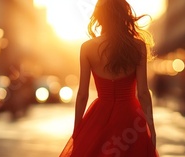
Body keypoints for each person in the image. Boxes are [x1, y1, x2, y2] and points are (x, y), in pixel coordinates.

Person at [60, 0, 158, 156]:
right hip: (130, 118)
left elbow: (82, 95)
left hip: (99, 117)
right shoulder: (137, 46)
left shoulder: (87, 47)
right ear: (124, 15)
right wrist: (151, 128)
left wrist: (77, 129)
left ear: (99, 17)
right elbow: (143, 93)